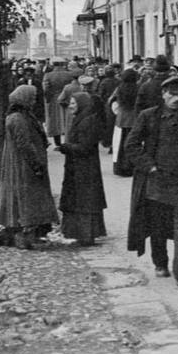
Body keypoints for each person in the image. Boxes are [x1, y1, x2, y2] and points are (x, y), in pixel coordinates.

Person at [125, 75, 178, 288]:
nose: (177, 99)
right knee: (158, 226)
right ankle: (160, 263)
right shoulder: (149, 117)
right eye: (172, 94)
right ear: (163, 95)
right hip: (157, 180)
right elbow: (132, 145)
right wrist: (150, 166)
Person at [0, 84, 58, 249]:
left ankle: (28, 233)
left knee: (27, 198)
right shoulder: (18, 119)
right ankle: (25, 235)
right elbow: (24, 144)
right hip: (23, 166)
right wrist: (36, 164)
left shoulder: (23, 115)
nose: (34, 101)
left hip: (24, 163)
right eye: (32, 98)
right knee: (26, 199)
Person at [58, 92, 108, 246]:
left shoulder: (87, 121)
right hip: (80, 167)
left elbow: (85, 147)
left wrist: (66, 147)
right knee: (80, 200)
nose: (70, 106)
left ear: (81, 104)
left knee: (84, 200)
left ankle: (86, 235)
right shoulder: (83, 119)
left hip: (85, 168)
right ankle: (82, 234)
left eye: (73, 103)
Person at [43, 57, 76, 147]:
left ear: (53, 64)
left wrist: (47, 100)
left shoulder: (48, 75)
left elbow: (46, 89)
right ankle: (68, 140)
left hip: (54, 98)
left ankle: (57, 143)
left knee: (55, 121)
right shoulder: (69, 74)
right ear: (62, 64)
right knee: (67, 119)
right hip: (67, 98)